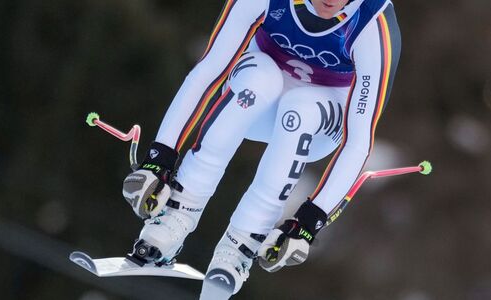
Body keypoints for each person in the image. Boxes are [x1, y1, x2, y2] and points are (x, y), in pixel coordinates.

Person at [120, 0, 401, 298]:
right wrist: (159, 157)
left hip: (319, 118)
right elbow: (209, 71)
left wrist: (309, 222)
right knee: (259, 78)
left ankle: (240, 247)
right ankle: (176, 215)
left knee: (301, 108)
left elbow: (358, 140)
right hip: (257, 94)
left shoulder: (373, 23)